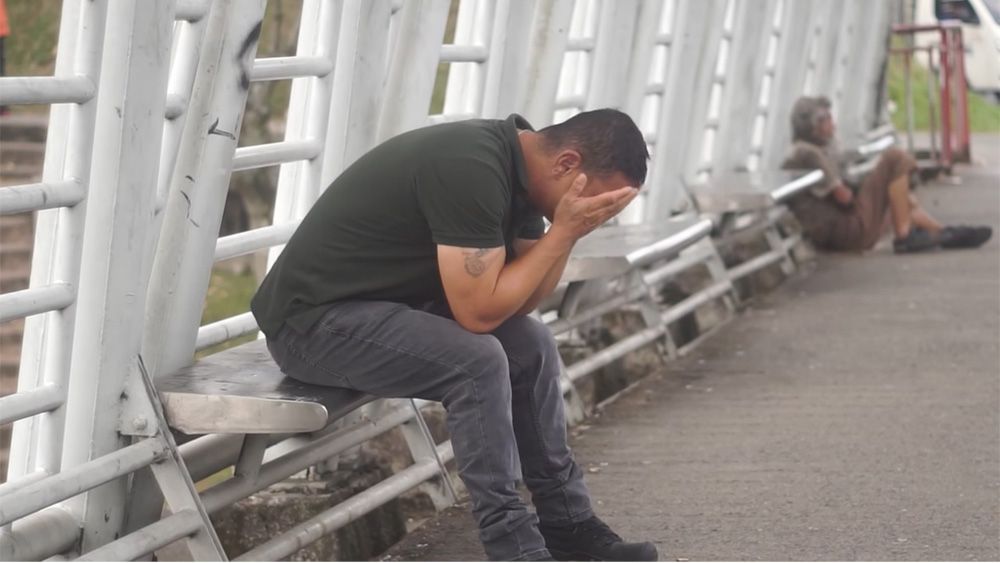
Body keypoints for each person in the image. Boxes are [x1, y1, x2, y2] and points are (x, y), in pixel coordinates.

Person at [251, 109, 658, 561]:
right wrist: (564, 232)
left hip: (384, 309)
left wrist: (565, 235)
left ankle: (568, 524)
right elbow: (479, 314)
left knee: (532, 345)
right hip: (312, 326)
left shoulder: (523, 175)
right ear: (566, 163)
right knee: (476, 360)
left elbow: (520, 302)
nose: (595, 215)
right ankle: (514, 547)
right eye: (597, 203)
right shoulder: (471, 168)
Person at [781, 96, 991, 253]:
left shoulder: (803, 150)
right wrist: (869, 190)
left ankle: (944, 233)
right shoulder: (809, 153)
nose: (833, 124)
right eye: (826, 119)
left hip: (839, 232)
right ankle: (905, 235)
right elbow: (843, 197)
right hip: (847, 232)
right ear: (812, 126)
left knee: (896, 196)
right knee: (894, 158)